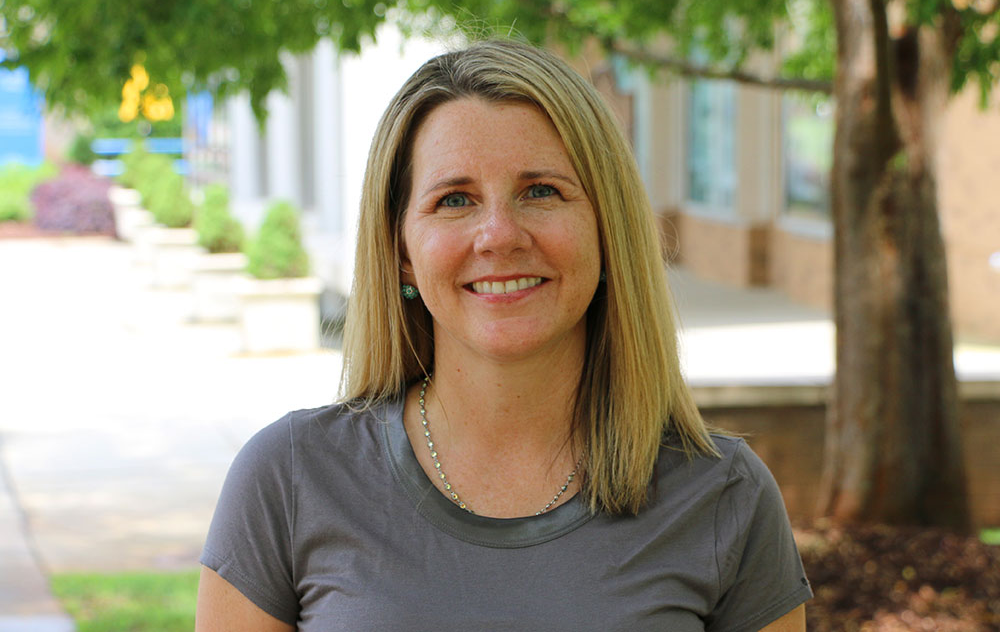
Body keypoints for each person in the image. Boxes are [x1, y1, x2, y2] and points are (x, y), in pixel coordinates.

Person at [195, 39, 812, 631]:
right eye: (454, 200)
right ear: (402, 251)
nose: (499, 235)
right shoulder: (291, 479)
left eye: (540, 191)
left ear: (607, 228)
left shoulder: (724, 496)